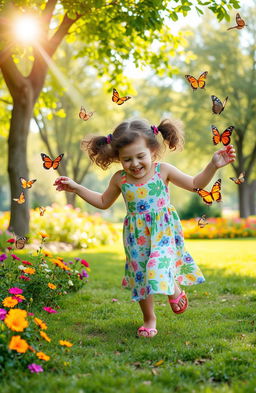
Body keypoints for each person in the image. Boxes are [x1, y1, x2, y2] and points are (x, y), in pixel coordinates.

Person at [53, 118, 236, 338]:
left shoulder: (163, 171)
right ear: (117, 158)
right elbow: (103, 201)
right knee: (141, 276)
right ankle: (149, 319)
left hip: (163, 231)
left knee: (158, 262)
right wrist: (77, 188)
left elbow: (195, 184)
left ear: (152, 151)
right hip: (135, 237)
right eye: (127, 159)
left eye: (141, 156)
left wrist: (213, 165)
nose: (135, 164)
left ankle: (173, 288)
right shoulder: (119, 179)